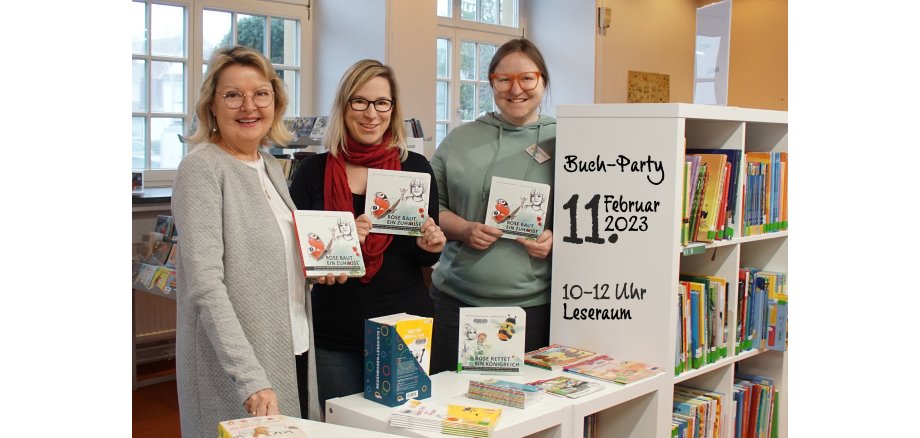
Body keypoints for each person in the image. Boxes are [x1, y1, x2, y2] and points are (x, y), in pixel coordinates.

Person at [172, 45, 342, 437]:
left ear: (275, 102)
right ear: (212, 105)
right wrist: (249, 377)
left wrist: (319, 270)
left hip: (294, 346)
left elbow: (271, 260)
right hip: (239, 368)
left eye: (260, 94)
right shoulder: (201, 168)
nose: (249, 106)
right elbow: (205, 286)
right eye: (233, 95)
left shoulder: (269, 165)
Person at [289, 59, 446, 411]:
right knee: (340, 430)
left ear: (393, 109)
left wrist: (430, 246)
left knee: (407, 428)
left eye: (381, 103)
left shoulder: (415, 168)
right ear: (343, 107)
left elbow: (423, 257)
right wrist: (341, 242)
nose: (371, 113)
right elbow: (298, 254)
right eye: (359, 102)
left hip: (404, 329)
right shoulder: (312, 173)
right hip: (335, 335)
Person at [428, 38, 556, 374]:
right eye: (504, 79)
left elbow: (585, 219)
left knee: (526, 417)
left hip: (534, 310)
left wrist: (555, 240)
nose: (516, 89)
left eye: (527, 78)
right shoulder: (459, 139)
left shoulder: (568, 139)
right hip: (455, 306)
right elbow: (429, 208)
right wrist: (464, 229)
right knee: (453, 415)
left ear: (542, 80)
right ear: (491, 83)